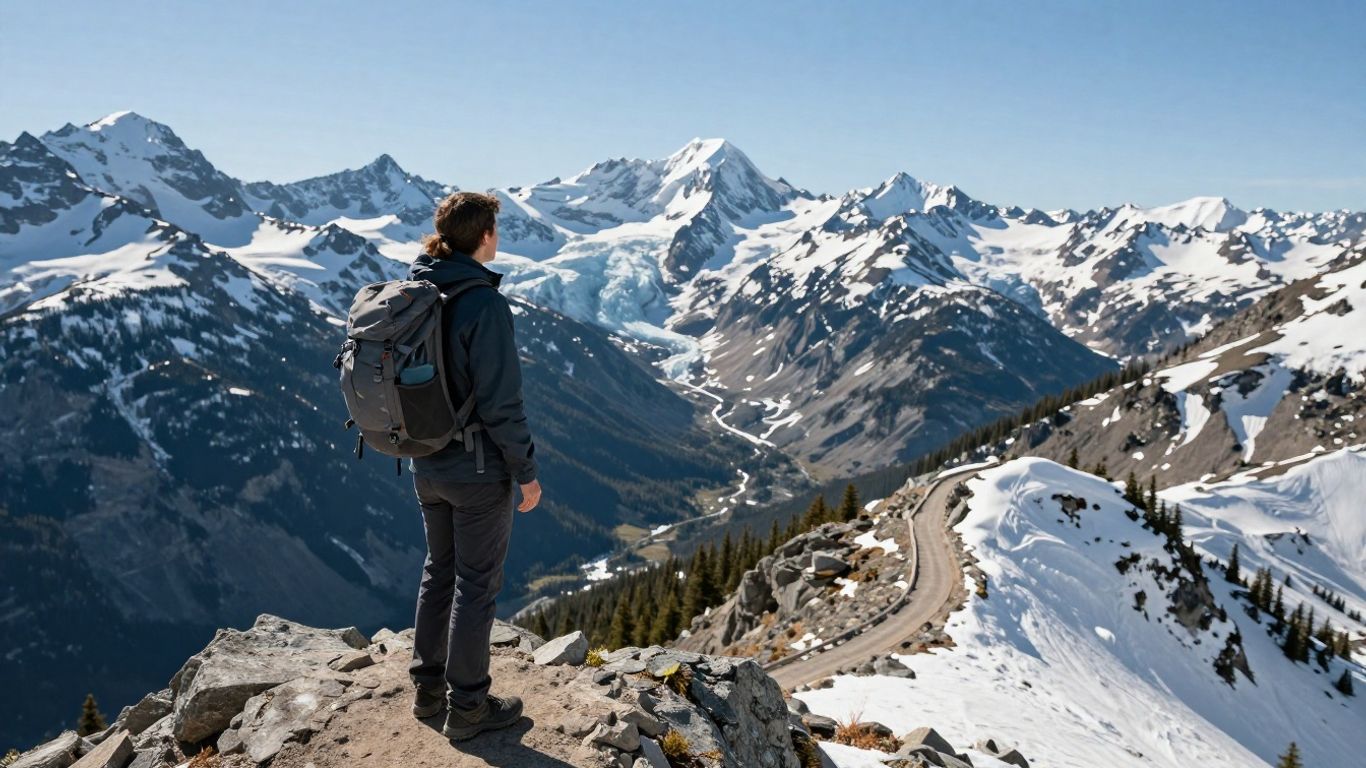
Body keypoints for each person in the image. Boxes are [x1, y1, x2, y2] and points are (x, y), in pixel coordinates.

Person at [405, 191, 542, 741]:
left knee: (438, 572)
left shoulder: (418, 289)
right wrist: (526, 471)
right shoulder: (482, 302)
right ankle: (468, 707)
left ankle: (427, 692)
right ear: (485, 235)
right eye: (496, 230)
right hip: (478, 469)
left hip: (424, 462)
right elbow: (501, 402)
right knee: (475, 584)